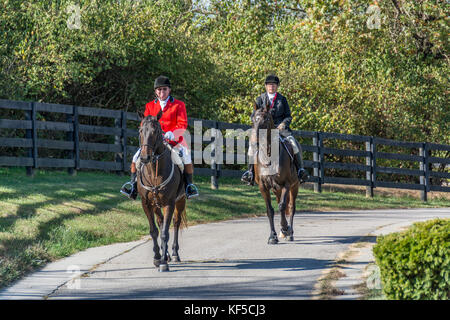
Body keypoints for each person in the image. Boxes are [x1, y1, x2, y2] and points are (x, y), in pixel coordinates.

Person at [121, 75, 199, 200]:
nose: (161, 92)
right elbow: (145, 123)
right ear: (155, 91)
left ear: (169, 90)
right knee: (136, 158)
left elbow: (182, 124)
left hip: (174, 141)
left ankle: (189, 186)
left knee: (186, 157)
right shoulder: (149, 106)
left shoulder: (179, 105)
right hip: (154, 142)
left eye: (164, 89)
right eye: (159, 90)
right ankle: (133, 185)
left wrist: (172, 133)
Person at [241, 74, 309, 185]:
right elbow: (253, 116)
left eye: (273, 85)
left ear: (277, 86)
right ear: (266, 86)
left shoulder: (282, 100)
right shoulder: (260, 99)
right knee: (252, 146)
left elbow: (288, 116)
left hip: (280, 129)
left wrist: (283, 124)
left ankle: (300, 170)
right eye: (269, 85)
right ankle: (250, 173)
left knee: (293, 144)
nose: (271, 87)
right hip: (264, 129)